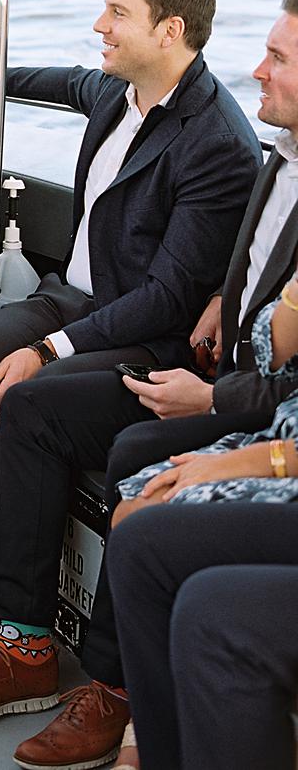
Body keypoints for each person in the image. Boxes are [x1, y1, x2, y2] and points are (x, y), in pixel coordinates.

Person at [0, 0, 263, 768]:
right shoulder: (119, 90)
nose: (99, 26)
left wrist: (49, 348)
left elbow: (165, 298)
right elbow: (60, 79)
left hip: (139, 331)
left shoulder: (217, 143)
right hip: (76, 296)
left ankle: (2, 626)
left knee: (30, 399)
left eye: (117, 14)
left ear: (170, 29)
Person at [107, 269, 298, 770]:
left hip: (286, 457)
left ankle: (153, 740)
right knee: (133, 508)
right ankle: (152, 733)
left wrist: (246, 463)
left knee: (147, 544)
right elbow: (276, 359)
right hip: (284, 434)